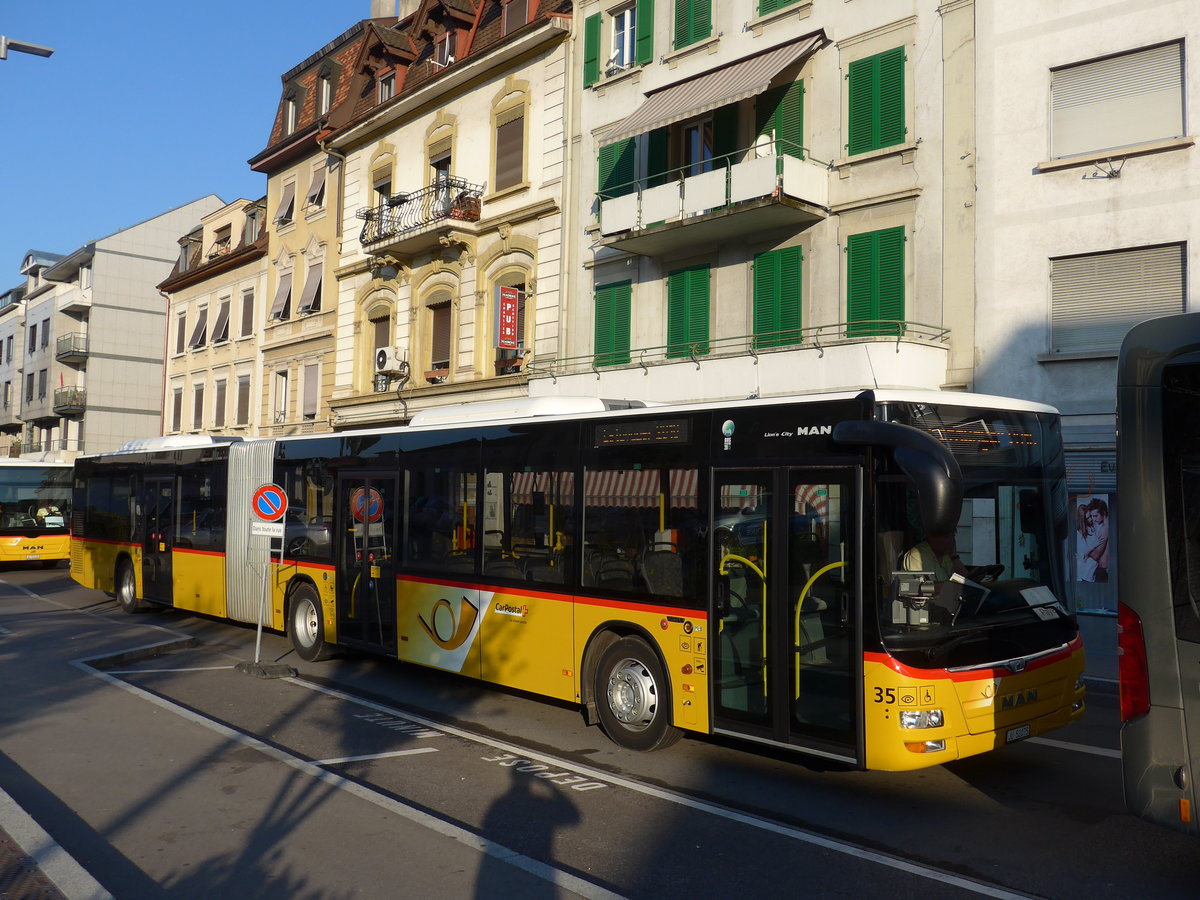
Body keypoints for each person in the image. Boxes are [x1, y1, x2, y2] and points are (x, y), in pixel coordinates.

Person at [902, 530, 969, 583]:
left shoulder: (946, 556)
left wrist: (954, 557)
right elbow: (922, 588)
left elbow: (965, 581)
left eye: (953, 536)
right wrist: (951, 586)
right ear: (932, 538)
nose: (951, 541)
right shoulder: (917, 555)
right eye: (946, 537)